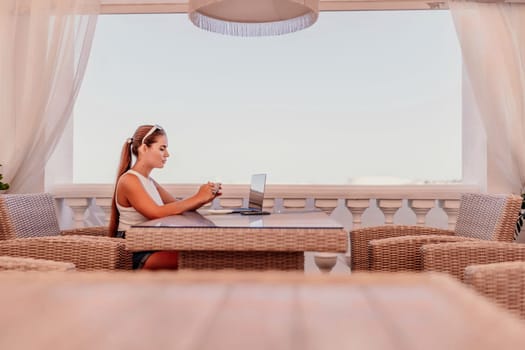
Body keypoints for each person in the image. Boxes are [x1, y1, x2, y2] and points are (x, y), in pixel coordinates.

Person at [109, 124, 221, 270]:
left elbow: (175, 206)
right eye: (162, 148)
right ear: (144, 148)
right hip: (134, 251)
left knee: (203, 254)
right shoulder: (129, 180)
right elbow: (156, 212)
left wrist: (204, 198)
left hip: (148, 243)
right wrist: (198, 197)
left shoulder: (149, 181)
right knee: (198, 259)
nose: (167, 154)